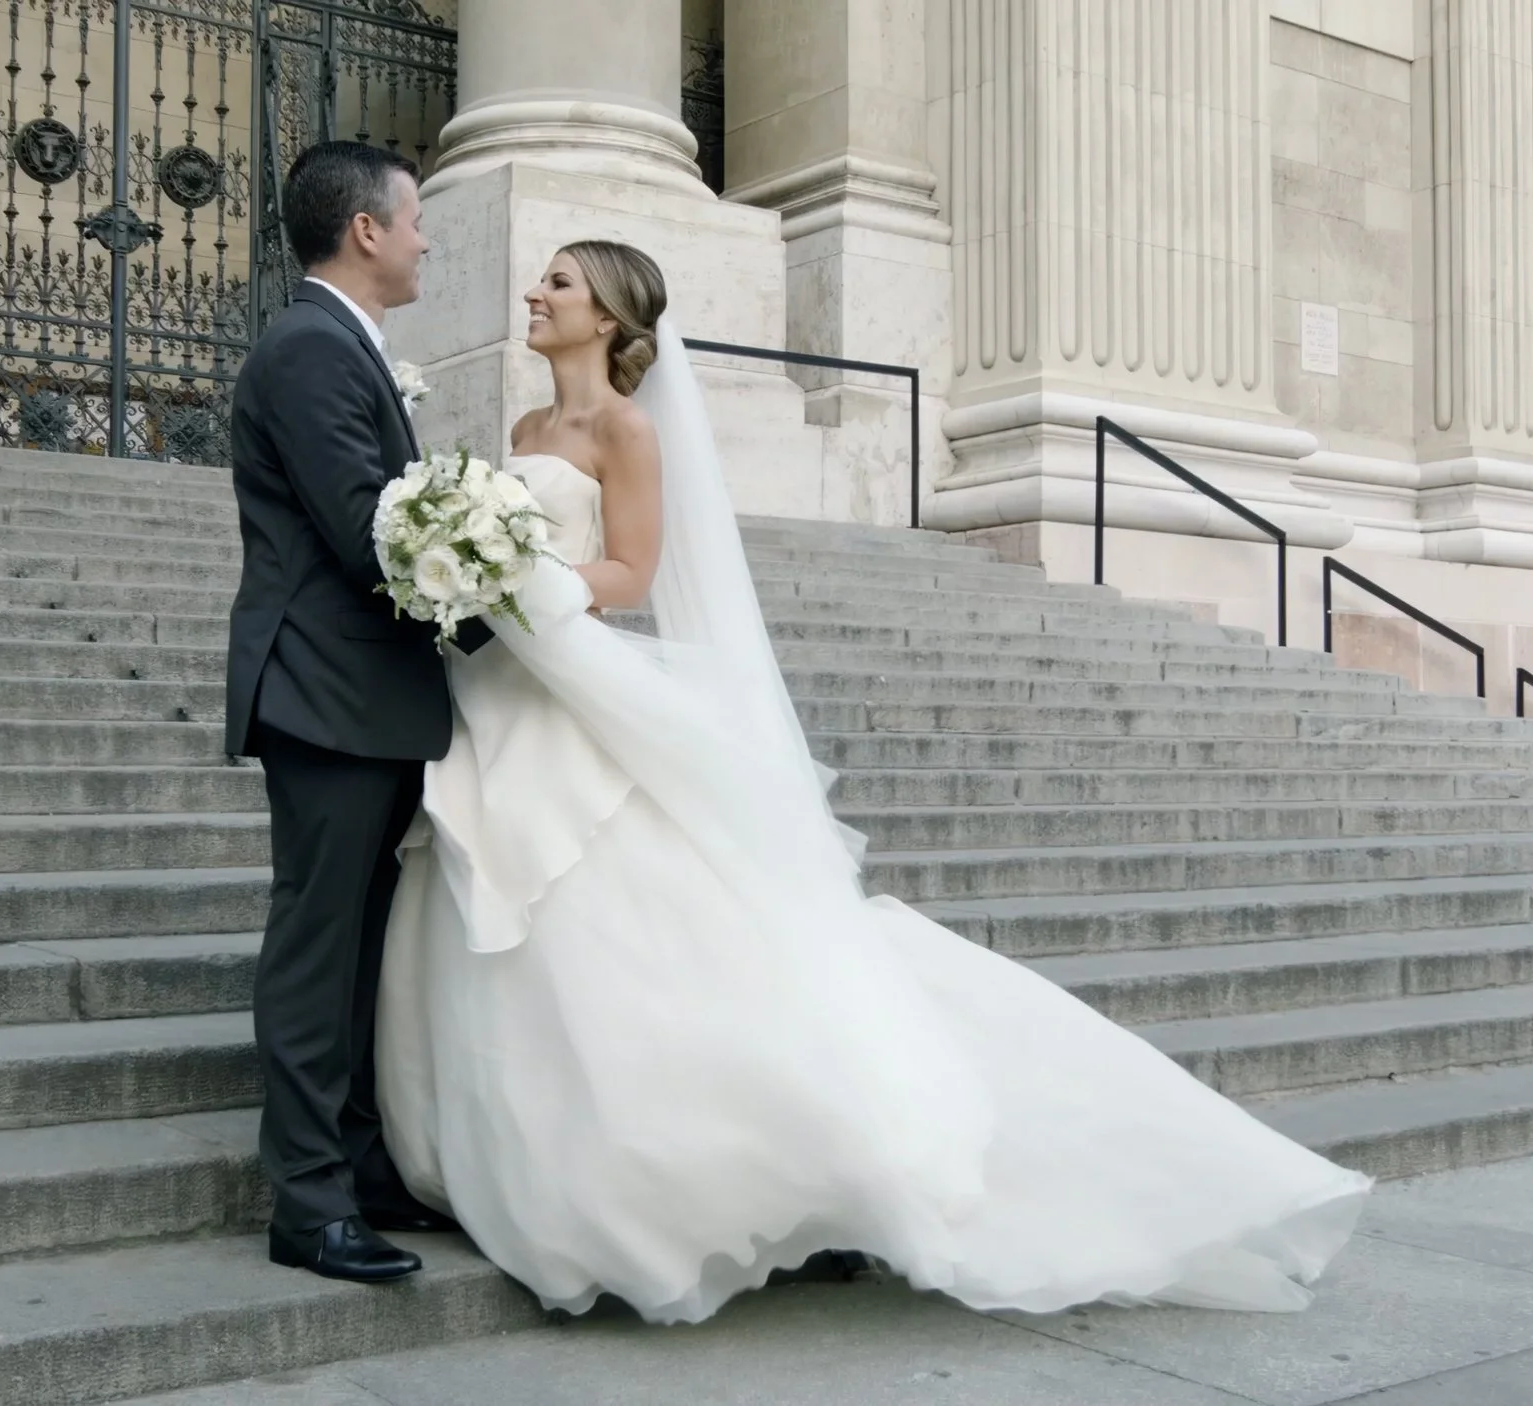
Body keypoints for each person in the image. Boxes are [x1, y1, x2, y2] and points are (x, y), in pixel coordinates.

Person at [373, 240, 1373, 1325]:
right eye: (543, 281)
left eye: (559, 283)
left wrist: (520, 572)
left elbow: (630, 573)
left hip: (568, 681)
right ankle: (527, 1147)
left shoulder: (628, 429)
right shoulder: (521, 435)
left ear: (608, 316)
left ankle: (756, 1155)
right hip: (498, 696)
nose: (534, 292)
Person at [225, 140, 485, 1285]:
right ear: (366, 229)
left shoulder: (346, 347)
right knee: (317, 948)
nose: (428, 238)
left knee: (365, 952)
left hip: (366, 697)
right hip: (326, 695)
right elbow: (363, 526)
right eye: (417, 216)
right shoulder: (309, 349)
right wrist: (494, 608)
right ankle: (308, 1198)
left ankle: (365, 1167)